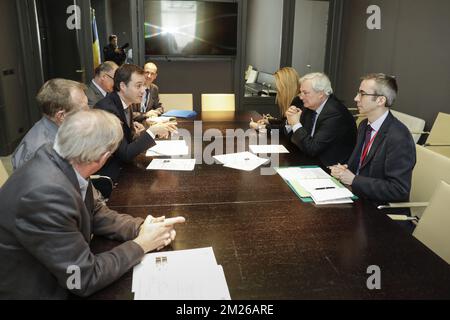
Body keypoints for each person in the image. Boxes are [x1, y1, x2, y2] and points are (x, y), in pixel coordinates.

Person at [0, 109, 185, 299]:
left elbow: (94, 211)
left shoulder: (64, 158)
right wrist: (141, 244)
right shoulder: (45, 195)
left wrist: (141, 227)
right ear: (103, 157)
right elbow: (83, 278)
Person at [330, 73, 416, 203]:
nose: (356, 98)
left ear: (381, 100)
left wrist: (354, 180)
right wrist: (344, 170)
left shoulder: (399, 137)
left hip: (379, 210)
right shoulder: (364, 125)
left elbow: (399, 190)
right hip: (359, 196)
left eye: (362, 94)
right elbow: (360, 166)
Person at [94, 64, 177, 197]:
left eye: (144, 85)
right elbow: (125, 154)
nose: (143, 90)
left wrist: (140, 133)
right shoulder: (108, 109)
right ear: (122, 86)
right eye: (138, 86)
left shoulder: (125, 103)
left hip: (124, 168)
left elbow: (127, 140)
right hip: (111, 178)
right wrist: (152, 131)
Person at [11, 79, 89, 170]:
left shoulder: (64, 129)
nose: (89, 111)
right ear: (61, 116)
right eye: (84, 108)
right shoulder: (41, 151)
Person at [285, 72, 357, 166]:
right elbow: (297, 139)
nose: (301, 97)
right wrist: (290, 121)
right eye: (301, 92)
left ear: (321, 94)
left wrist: (295, 124)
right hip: (310, 158)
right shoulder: (310, 106)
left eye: (305, 93)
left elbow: (312, 148)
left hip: (331, 167)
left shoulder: (335, 114)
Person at [250, 67, 303, 132]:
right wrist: (268, 121)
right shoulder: (295, 100)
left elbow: (284, 130)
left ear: (286, 87)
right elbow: (284, 122)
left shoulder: (298, 102)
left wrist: (259, 127)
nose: (277, 90)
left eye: (279, 88)